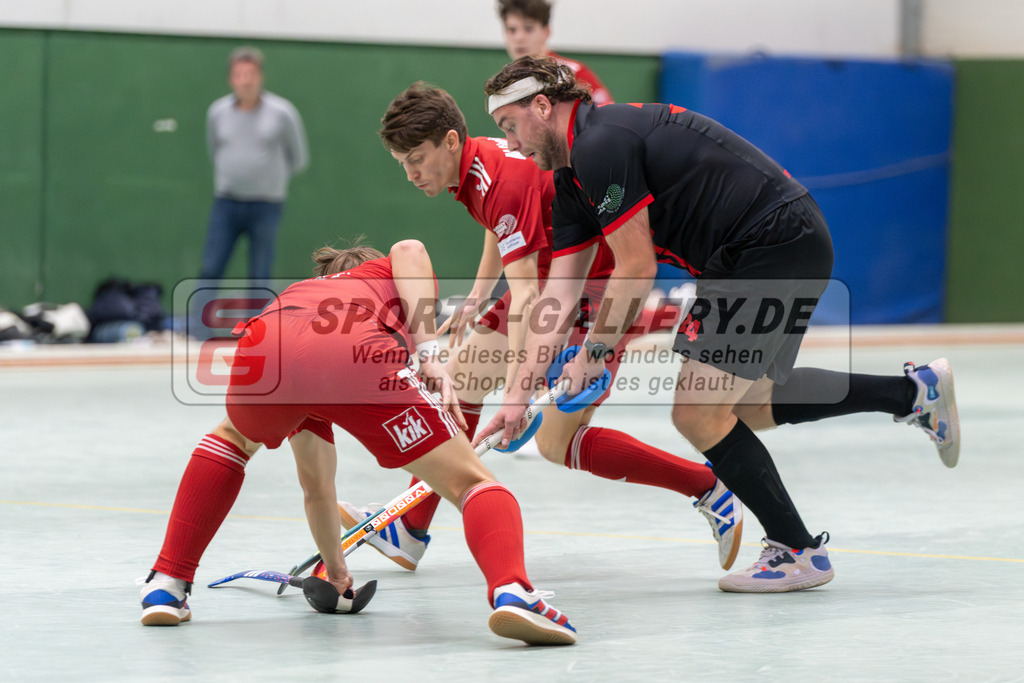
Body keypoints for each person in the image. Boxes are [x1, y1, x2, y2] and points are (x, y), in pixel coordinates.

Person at [479, 56, 961, 593]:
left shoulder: (600, 142)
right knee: (745, 405)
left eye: (511, 127)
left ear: (542, 107)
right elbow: (559, 294)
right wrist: (515, 401)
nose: (515, 145)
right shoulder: (571, 180)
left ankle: (797, 550)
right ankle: (913, 393)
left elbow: (635, 268)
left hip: (771, 242)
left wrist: (593, 353)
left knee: (698, 412)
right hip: (758, 250)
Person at [331, 82, 743, 574]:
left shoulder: (498, 179)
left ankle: (707, 487)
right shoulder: (477, 165)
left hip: (592, 283)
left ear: (449, 141)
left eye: (416, 158)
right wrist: (483, 292)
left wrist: (517, 395)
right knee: (460, 381)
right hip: (549, 274)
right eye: (402, 163)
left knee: (557, 443)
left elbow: (527, 295)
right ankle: (410, 528)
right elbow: (497, 227)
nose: (411, 174)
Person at [139, 238, 578, 646]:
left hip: (270, 341)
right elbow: (410, 248)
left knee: (231, 439)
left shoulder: (303, 291)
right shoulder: (382, 275)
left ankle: (167, 585)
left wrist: (336, 569)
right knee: (472, 482)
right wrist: (427, 351)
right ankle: (512, 591)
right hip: (353, 348)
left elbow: (317, 489)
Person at [199, 46, 309, 286]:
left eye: (250, 74)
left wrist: (270, 180)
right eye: (239, 75)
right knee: (210, 268)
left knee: (260, 274)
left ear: (260, 77)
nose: (245, 81)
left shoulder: (282, 112)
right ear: (231, 79)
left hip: (266, 205)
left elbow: (298, 158)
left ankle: (258, 325)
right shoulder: (217, 112)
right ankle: (198, 325)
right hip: (226, 203)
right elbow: (214, 150)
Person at [497, 0, 613, 106]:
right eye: (512, 30)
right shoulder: (507, 81)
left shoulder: (573, 73)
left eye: (528, 28)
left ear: (546, 32)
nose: (519, 37)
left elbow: (608, 116)